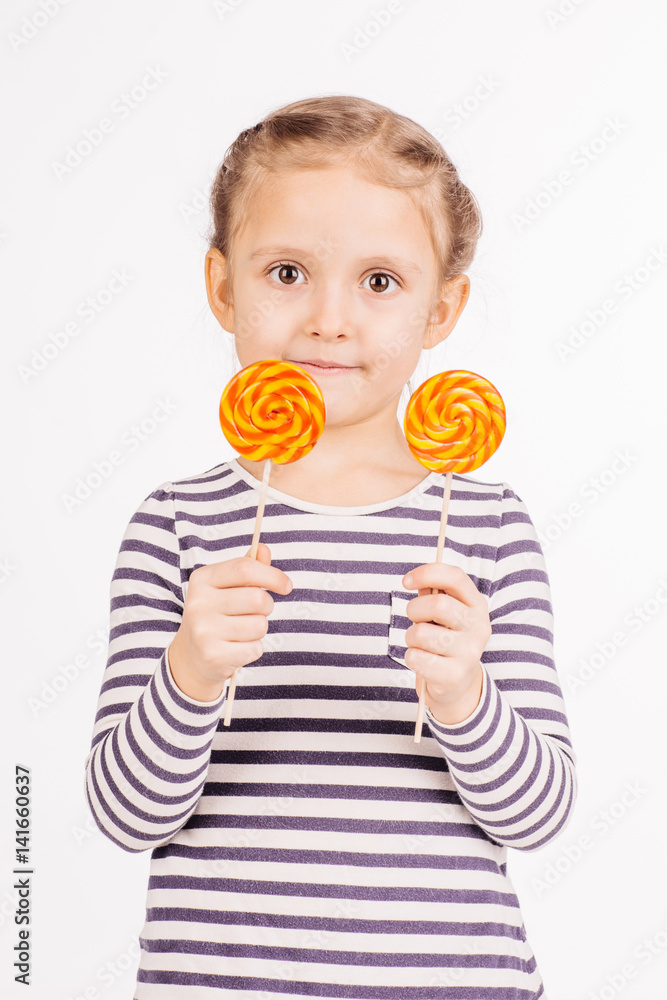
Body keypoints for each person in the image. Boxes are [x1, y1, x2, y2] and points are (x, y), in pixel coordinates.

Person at [84, 94, 578, 999]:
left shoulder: (489, 529)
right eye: (285, 273)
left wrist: (464, 696)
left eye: (379, 281)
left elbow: (537, 814)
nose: (328, 320)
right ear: (223, 287)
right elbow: (124, 814)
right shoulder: (178, 525)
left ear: (442, 309)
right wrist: (191, 670)